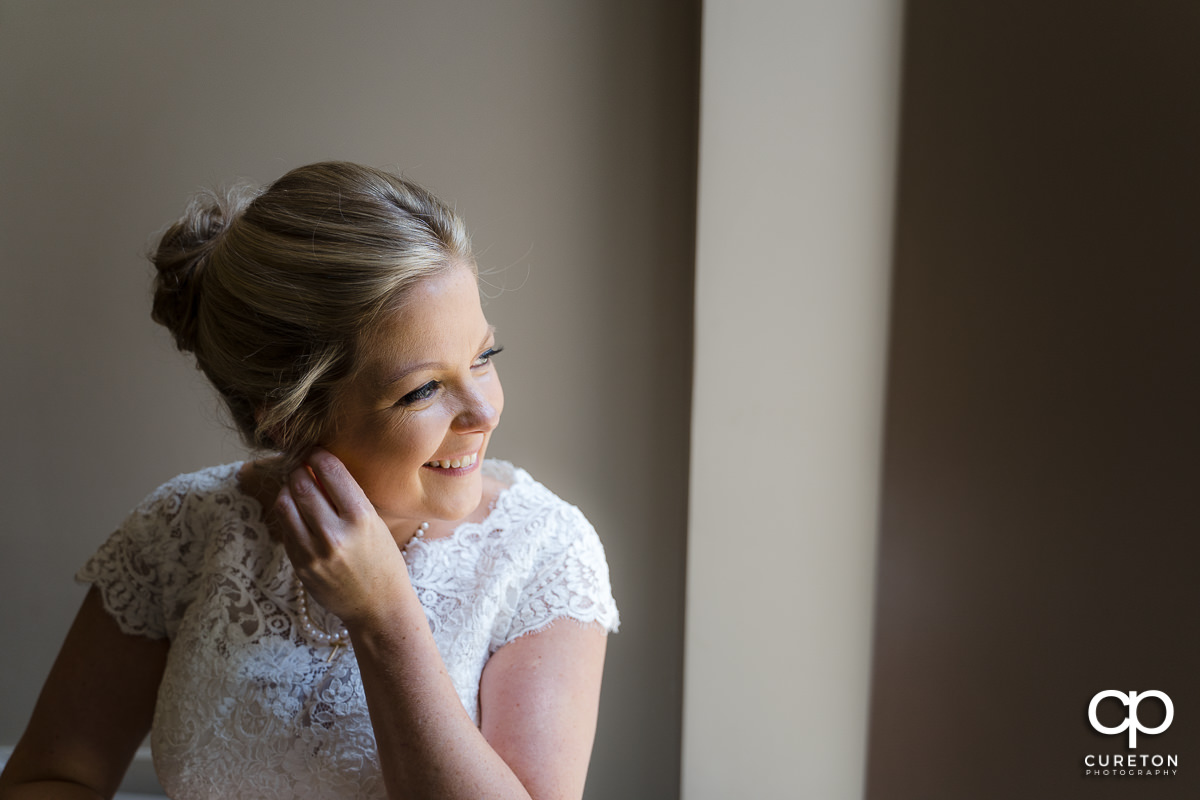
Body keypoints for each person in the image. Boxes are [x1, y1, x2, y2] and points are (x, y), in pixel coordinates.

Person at [0, 162, 619, 800]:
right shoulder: (183, 531)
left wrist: (384, 618)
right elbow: (49, 778)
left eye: (483, 357)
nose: (485, 412)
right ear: (291, 421)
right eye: (423, 389)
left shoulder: (545, 552)